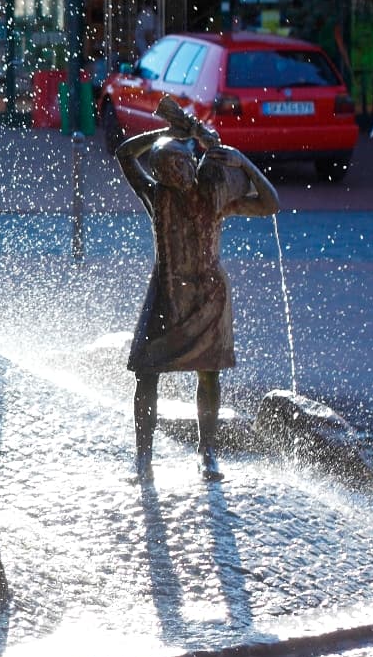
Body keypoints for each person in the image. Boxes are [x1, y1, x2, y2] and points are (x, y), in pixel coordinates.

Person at [114, 95, 280, 482]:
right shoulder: (156, 198)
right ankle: (143, 458)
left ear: (192, 165)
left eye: (183, 163)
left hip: (208, 297)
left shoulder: (214, 197)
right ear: (161, 173)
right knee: (146, 372)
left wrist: (242, 161)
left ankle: (209, 454)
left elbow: (270, 203)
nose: (179, 171)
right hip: (167, 294)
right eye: (169, 166)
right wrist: (171, 132)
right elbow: (125, 154)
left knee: (209, 375)